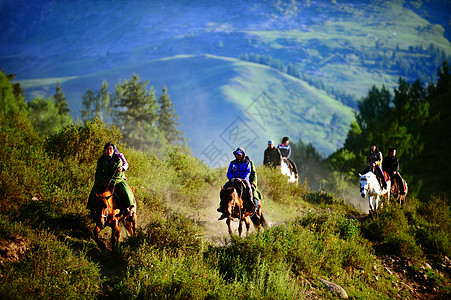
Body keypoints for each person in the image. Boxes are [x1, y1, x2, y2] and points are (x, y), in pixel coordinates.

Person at [87, 142, 135, 219]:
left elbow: (119, 173)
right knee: (94, 191)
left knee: (126, 191)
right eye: (107, 149)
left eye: (111, 149)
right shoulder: (101, 160)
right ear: (105, 150)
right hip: (105, 180)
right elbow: (98, 173)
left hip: (117, 180)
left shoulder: (118, 159)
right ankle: (92, 210)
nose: (109, 151)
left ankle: (129, 208)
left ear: (113, 150)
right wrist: (104, 181)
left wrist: (111, 181)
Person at [218, 147, 254, 220]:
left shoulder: (247, 162)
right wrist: (232, 178)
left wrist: (241, 179)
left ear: (243, 155)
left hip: (243, 180)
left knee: (249, 188)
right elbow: (229, 172)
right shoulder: (232, 163)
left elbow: (248, 172)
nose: (238, 156)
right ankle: (222, 206)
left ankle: (251, 204)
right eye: (237, 155)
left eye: (240, 155)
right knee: (223, 190)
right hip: (233, 179)